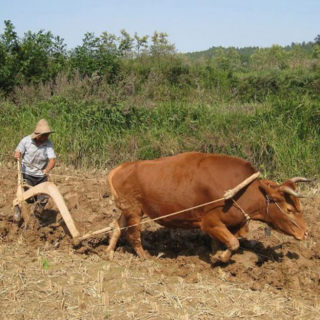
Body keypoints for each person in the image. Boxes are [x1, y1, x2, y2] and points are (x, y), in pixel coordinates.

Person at [14, 119, 56, 225]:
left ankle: (36, 218)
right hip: (27, 174)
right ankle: (18, 210)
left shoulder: (48, 143)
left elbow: (52, 160)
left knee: (43, 198)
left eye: (47, 135)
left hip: (41, 176)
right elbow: (17, 152)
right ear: (38, 135)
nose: (47, 137)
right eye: (45, 135)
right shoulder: (26, 141)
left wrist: (47, 170)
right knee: (26, 198)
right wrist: (17, 154)